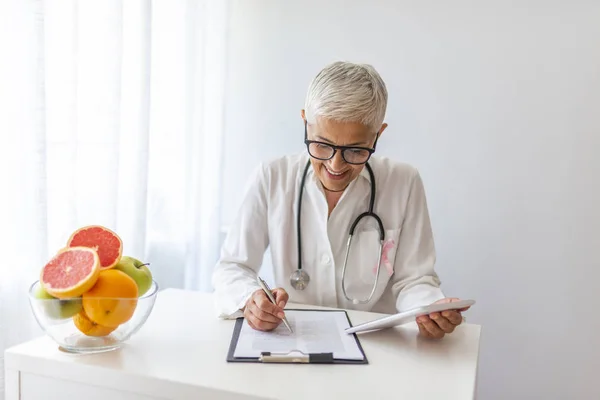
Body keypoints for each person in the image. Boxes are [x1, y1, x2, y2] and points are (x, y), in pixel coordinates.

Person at [211, 61, 469, 339]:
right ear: (305, 124)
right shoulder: (272, 177)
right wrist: (251, 298)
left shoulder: (404, 182)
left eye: (356, 151)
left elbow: (414, 279)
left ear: (378, 134)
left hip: (374, 348)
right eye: (322, 145)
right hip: (294, 342)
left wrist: (428, 308)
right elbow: (233, 266)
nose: (336, 165)